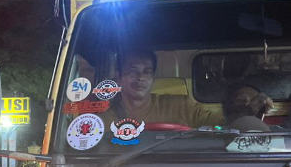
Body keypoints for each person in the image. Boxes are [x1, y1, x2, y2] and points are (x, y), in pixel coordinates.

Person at [103, 48, 249, 127]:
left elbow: (225, 124)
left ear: (153, 78)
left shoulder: (181, 106)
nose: (140, 77)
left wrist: (248, 111)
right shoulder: (103, 118)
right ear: (118, 77)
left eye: (147, 72)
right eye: (133, 71)